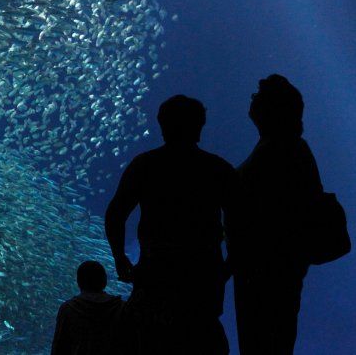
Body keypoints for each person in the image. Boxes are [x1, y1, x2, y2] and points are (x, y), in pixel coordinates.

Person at [104, 95, 237, 355]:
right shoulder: (217, 169)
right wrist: (227, 268)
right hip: (203, 278)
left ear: (162, 125)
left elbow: (115, 214)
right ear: (200, 126)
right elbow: (244, 224)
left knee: (149, 341)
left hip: (155, 275)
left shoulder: (145, 165)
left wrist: (120, 257)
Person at [231, 74, 323, 354]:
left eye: (258, 95)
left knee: (264, 341)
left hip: (267, 269)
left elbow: (266, 214)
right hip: (270, 267)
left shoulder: (280, 149)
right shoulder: (287, 146)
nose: (252, 99)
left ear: (273, 108)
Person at [51, 260, 124, 355]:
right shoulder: (122, 307)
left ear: (78, 282)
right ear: (105, 280)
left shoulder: (68, 309)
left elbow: (59, 347)